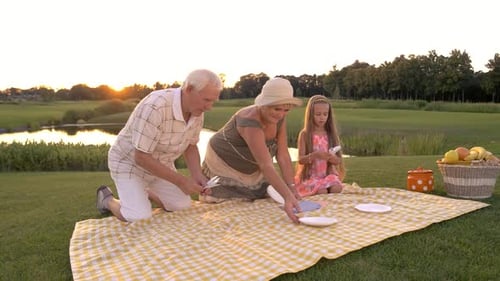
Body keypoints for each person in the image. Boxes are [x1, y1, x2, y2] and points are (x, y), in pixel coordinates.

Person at [96, 69, 223, 222]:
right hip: (128, 163)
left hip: (161, 165)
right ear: (189, 89)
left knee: (181, 205)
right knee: (138, 216)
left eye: (212, 101)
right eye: (206, 100)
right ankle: (107, 200)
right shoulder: (156, 106)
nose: (209, 107)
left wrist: (197, 176)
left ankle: (143, 191)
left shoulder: (196, 112)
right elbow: (141, 157)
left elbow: (191, 146)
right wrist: (181, 181)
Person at [199, 77, 303, 223]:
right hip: (225, 159)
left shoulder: (280, 118)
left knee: (266, 191)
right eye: (276, 109)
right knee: (226, 196)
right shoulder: (249, 121)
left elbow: (283, 155)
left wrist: (291, 187)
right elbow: (265, 165)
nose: (280, 114)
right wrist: (287, 197)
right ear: (264, 105)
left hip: (252, 159)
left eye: (286, 110)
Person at [294, 95, 345, 197]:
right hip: (311, 176)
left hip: (328, 174)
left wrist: (331, 158)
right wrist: (315, 155)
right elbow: (301, 160)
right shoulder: (305, 134)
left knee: (337, 188)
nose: (322, 117)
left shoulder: (331, 134)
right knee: (322, 191)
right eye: (318, 114)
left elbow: (338, 160)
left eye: (325, 114)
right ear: (310, 115)